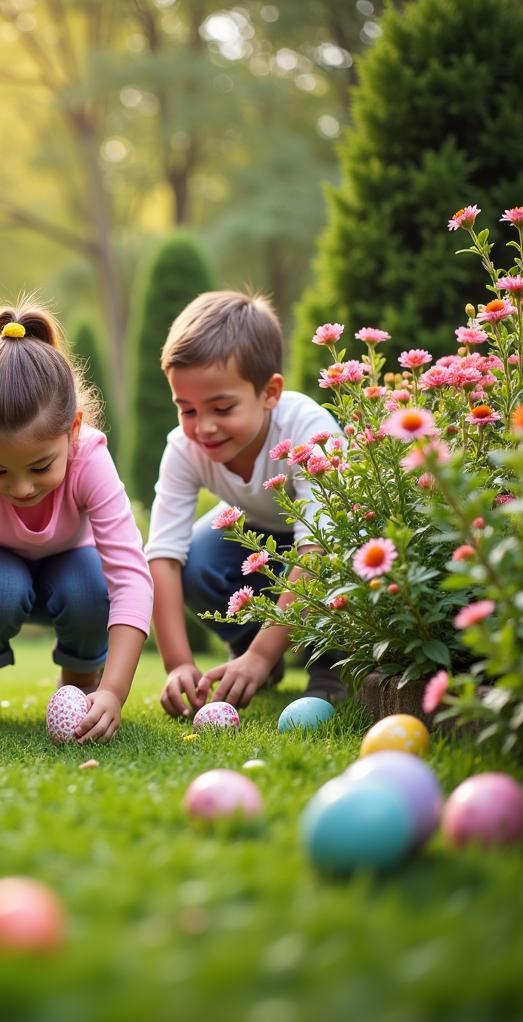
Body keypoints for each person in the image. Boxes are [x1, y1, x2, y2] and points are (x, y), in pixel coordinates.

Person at [0, 303, 152, 742]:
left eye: (40, 467)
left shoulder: (91, 458)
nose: (21, 488)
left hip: (74, 565)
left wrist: (114, 691)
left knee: (89, 585)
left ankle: (81, 687)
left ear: (73, 429)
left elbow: (130, 577)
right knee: (0, 585)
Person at [147, 290, 345, 716]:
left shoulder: (309, 429)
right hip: (258, 533)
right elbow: (163, 557)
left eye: (222, 407)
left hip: (331, 546)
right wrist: (177, 663)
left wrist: (262, 654)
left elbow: (320, 550)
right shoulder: (183, 448)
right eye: (187, 409)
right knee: (199, 556)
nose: (204, 427)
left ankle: (331, 663)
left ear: (270, 392)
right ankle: (250, 652)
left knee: (348, 556)